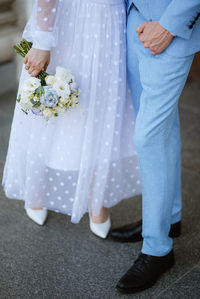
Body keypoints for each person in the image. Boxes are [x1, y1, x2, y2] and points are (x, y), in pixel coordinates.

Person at [2, 0, 142, 239]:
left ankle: (98, 198)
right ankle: (36, 190)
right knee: (52, 103)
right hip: (67, 17)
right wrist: (43, 39)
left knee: (102, 109)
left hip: (110, 21)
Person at [110, 0, 200, 294]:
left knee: (147, 136)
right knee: (164, 128)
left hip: (169, 27)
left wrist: (168, 25)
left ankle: (158, 248)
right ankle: (169, 217)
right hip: (133, 16)